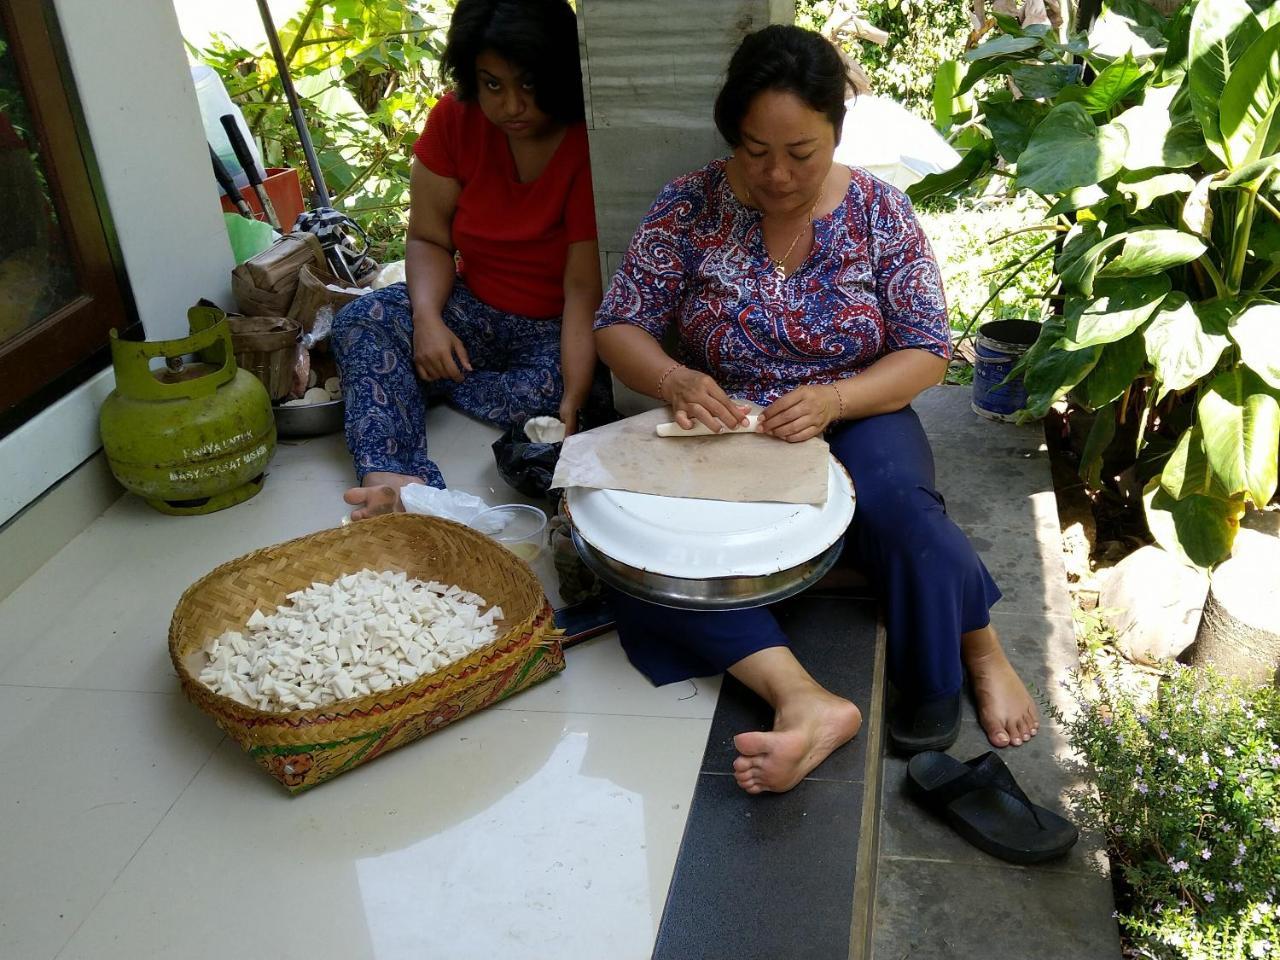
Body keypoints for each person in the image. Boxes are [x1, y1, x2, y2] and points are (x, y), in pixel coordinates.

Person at [594, 25, 1039, 795]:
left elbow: (927, 351)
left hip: (859, 406)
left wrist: (836, 398)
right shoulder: (689, 205)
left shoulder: (879, 212)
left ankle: (968, 655)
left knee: (902, 508)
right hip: (725, 418)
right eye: (754, 150)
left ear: (836, 129)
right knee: (644, 559)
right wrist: (672, 381)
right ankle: (804, 694)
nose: (776, 174)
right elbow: (619, 325)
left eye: (802, 153)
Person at [332, 0, 608, 519]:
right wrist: (428, 321)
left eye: (529, 84)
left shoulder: (585, 142)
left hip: (551, 327)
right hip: (472, 307)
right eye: (492, 85)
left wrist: (572, 398)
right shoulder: (454, 122)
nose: (511, 107)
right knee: (362, 321)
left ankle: (419, 380)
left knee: (565, 396)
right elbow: (429, 239)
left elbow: (581, 290)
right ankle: (397, 479)